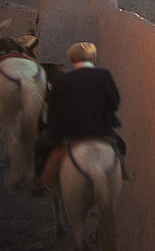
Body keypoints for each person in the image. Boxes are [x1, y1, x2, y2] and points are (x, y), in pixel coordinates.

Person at [32, 42, 127, 196]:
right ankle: (123, 172)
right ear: (93, 57)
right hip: (99, 129)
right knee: (120, 146)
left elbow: (54, 107)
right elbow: (115, 104)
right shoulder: (104, 76)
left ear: (72, 59)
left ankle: (38, 185)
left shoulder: (63, 79)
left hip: (71, 132)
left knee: (42, 148)